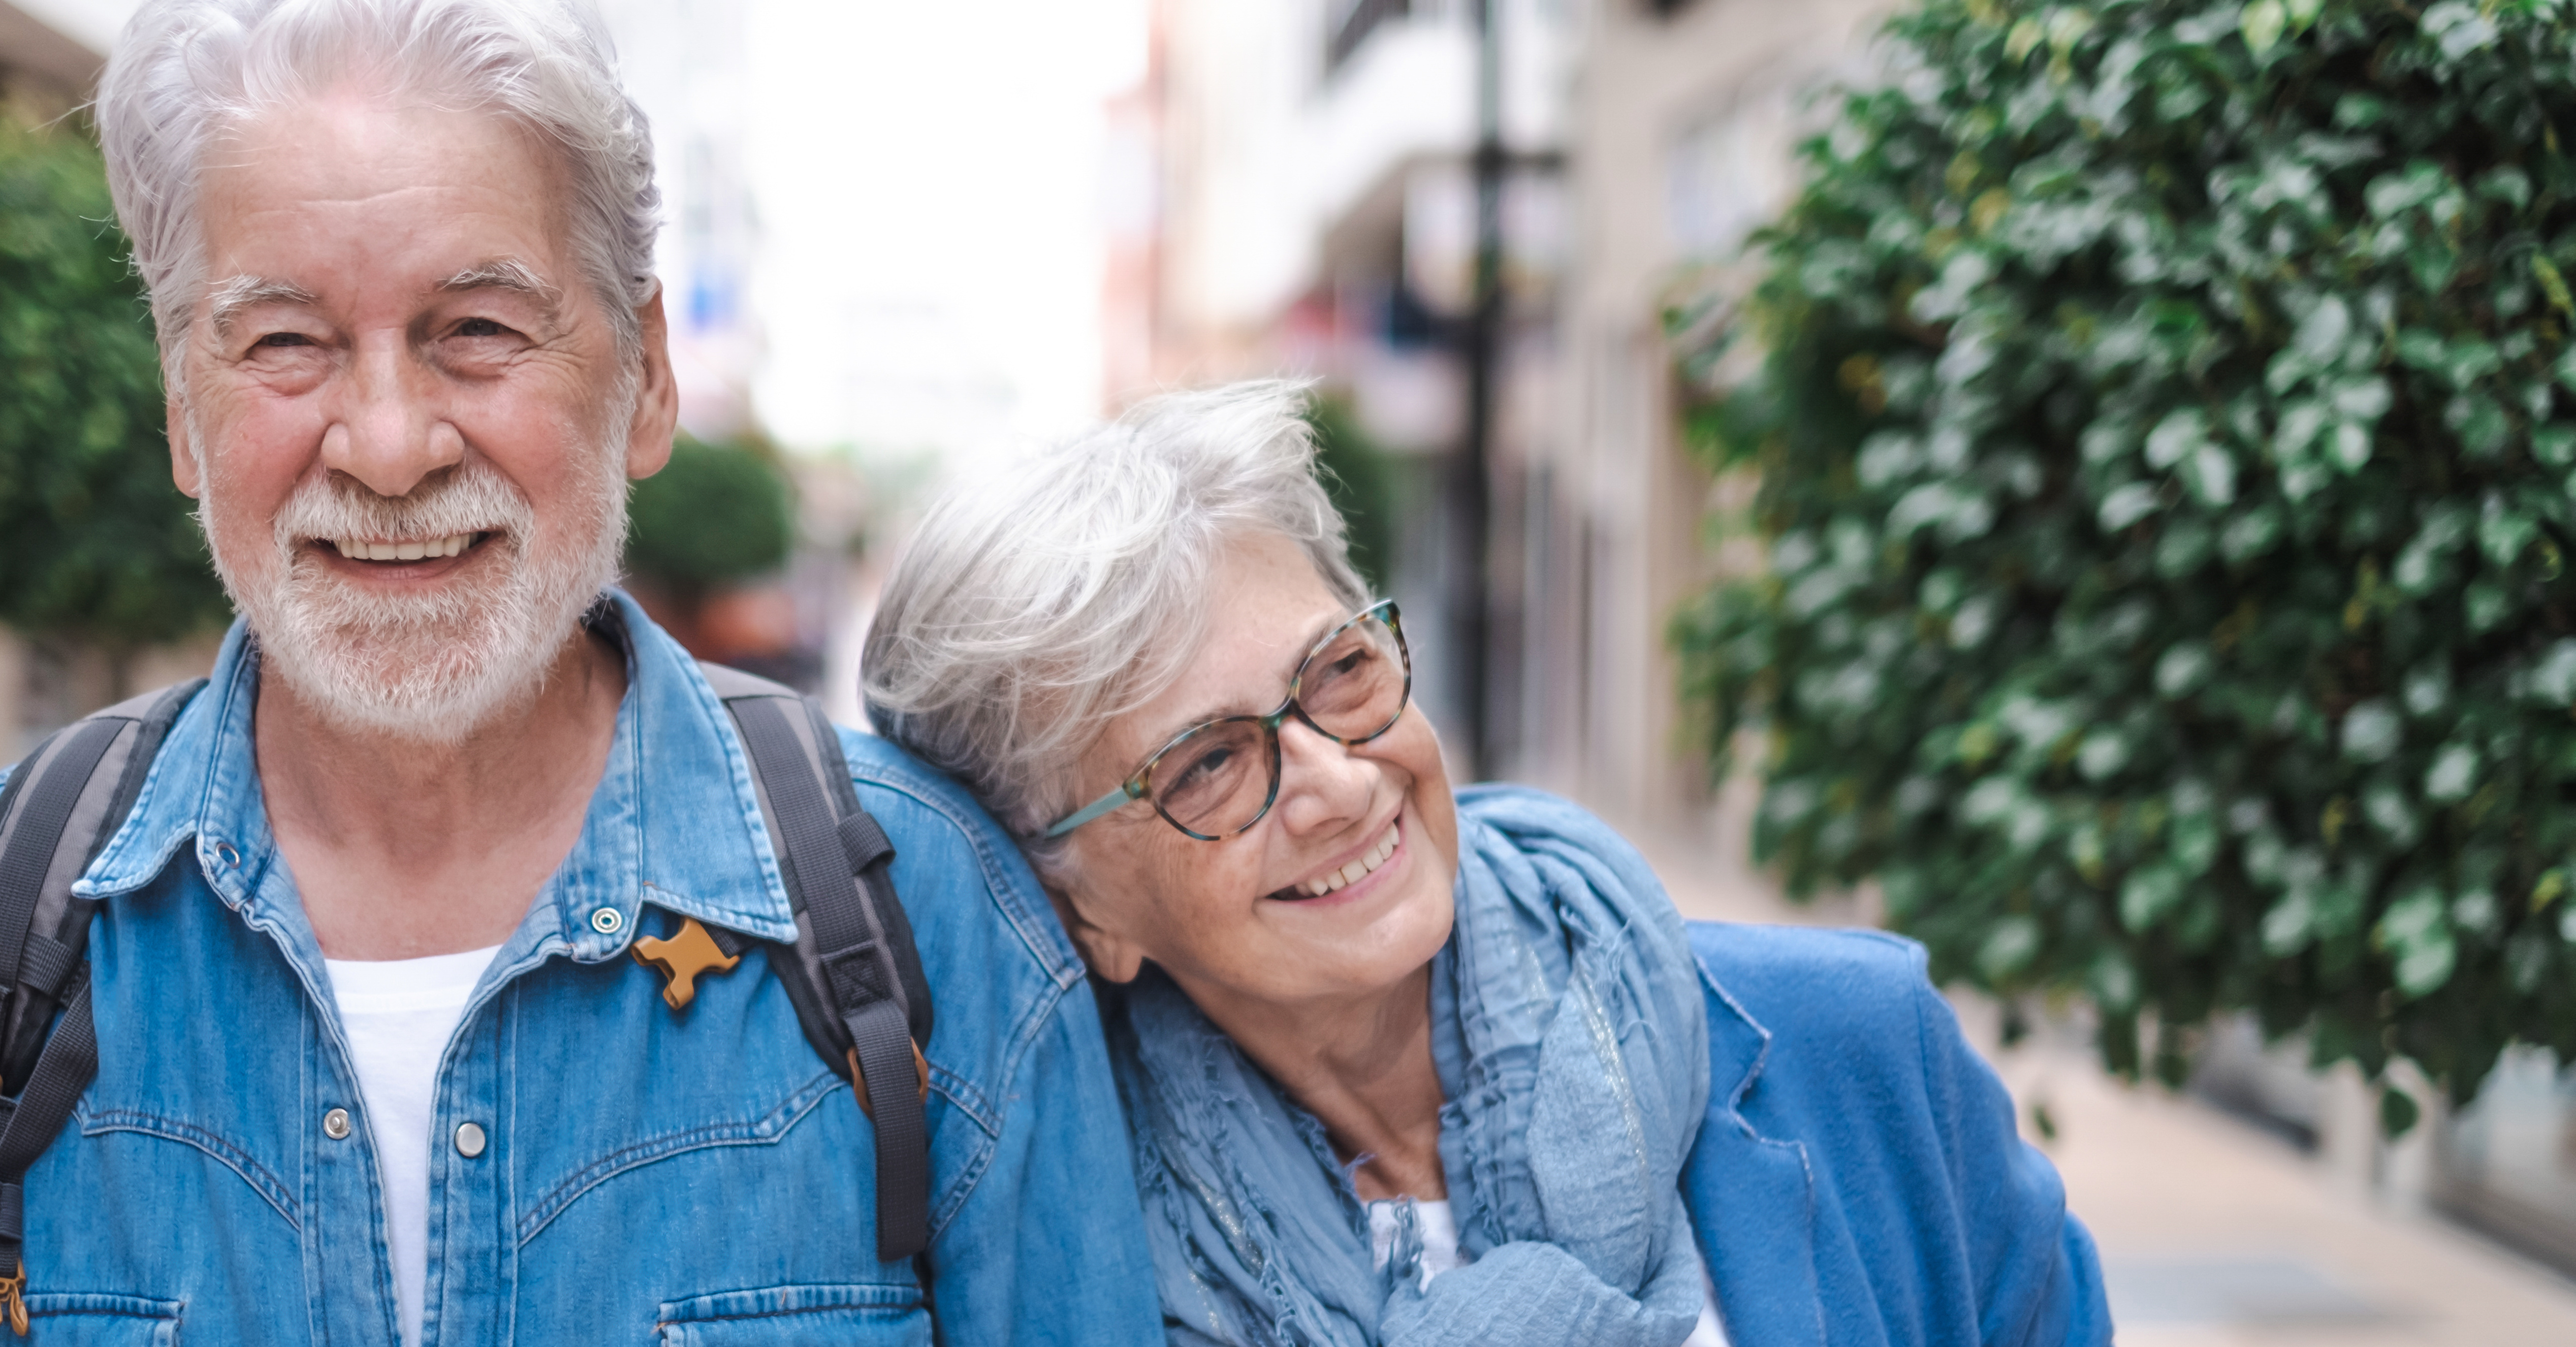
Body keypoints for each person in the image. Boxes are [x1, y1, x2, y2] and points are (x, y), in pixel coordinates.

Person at [0, 1, 1163, 1342]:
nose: (390, 443)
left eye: (475, 329)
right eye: (283, 341)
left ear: (645, 376)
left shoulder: (934, 920)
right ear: (182, 414)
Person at [862, 382, 2116, 1347]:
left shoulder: (1858, 1049)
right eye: (1207, 767)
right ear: (1081, 910)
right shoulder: (1054, 1263)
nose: (1342, 783)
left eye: (1341, 674)